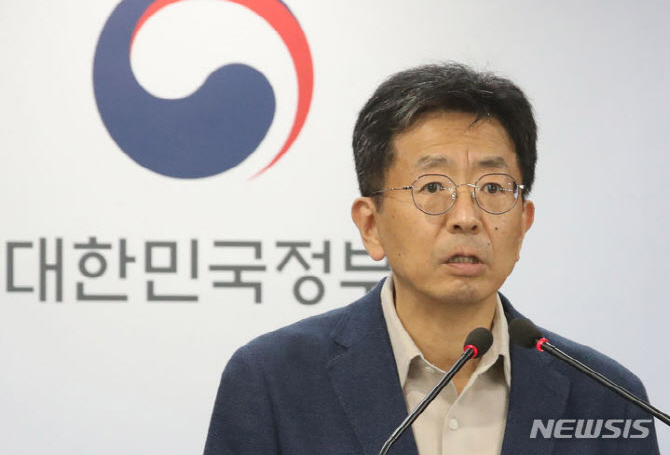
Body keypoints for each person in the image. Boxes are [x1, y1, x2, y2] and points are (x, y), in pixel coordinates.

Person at [204, 63, 659, 454]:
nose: (466, 218)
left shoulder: (609, 399)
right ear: (371, 225)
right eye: (433, 187)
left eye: (493, 188)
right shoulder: (272, 382)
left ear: (523, 223)